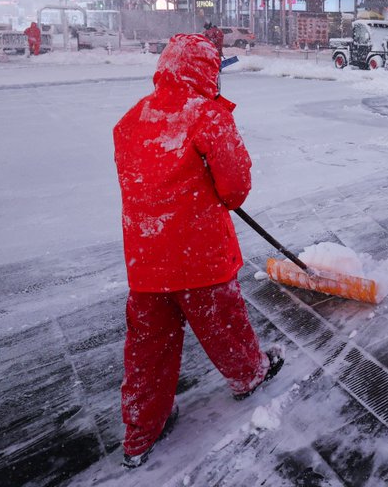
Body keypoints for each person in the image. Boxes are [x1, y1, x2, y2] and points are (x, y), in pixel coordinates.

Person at [112, 33, 283, 469]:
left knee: (148, 352)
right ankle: (249, 375)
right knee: (225, 329)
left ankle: (140, 433)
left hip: (146, 262)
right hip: (199, 259)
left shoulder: (131, 120)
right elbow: (235, 190)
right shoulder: (207, 116)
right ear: (205, 72)